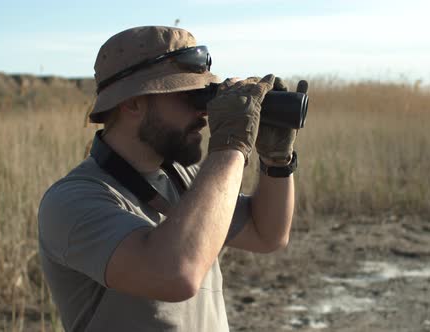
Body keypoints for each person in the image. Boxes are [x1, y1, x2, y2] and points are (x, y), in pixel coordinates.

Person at [38, 25, 300, 331]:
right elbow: (176, 273)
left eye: (206, 96)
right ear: (133, 102)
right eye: (190, 96)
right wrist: (231, 145)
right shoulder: (73, 201)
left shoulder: (183, 178)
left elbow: (266, 234)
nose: (204, 113)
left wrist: (276, 159)